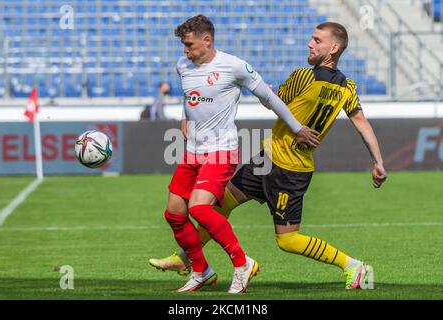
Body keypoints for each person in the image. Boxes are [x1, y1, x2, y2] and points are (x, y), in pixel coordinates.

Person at [150, 22, 388, 290]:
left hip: (290, 170)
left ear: (333, 48)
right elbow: (361, 121)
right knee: (217, 206)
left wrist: (270, 94)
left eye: (317, 40)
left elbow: (275, 101)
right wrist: (377, 161)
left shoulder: (302, 76)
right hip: (266, 159)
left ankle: (353, 265)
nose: (310, 44)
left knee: (287, 240)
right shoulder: (348, 87)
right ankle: (187, 258)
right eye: (311, 38)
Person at [160, 15, 320, 294]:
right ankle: (201, 271)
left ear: (206, 40)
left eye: (189, 44)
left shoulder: (234, 66)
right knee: (174, 214)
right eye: (183, 46)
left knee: (199, 208)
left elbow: (270, 98)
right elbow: (190, 98)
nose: (185, 51)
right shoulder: (182, 65)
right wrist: (184, 117)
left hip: (221, 150)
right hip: (192, 151)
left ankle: (242, 263)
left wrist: (296, 128)